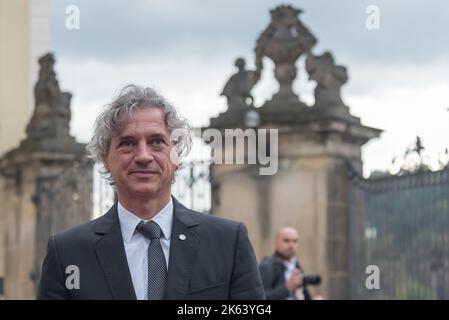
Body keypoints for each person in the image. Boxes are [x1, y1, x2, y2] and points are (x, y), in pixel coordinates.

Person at [37, 84, 264, 300]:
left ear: (176, 155)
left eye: (157, 141)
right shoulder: (67, 253)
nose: (144, 156)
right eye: (127, 143)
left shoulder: (228, 243)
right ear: (105, 158)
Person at [259, 227, 312, 300]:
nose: (291, 245)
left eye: (295, 241)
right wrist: (287, 288)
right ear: (275, 242)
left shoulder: (296, 266)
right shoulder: (266, 266)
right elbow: (259, 296)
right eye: (286, 241)